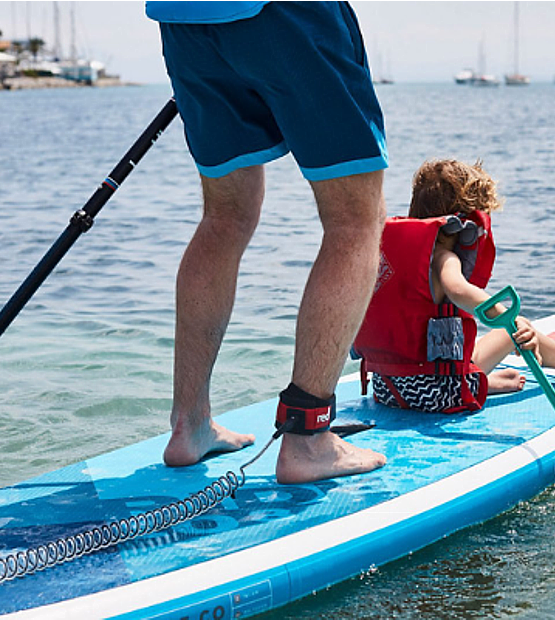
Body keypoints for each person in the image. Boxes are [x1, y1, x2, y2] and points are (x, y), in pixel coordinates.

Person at [145, 1, 387, 483]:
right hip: (285, 14)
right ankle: (308, 440)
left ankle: (189, 426)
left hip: (186, 21)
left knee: (224, 217)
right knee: (356, 222)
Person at [353, 159, 555, 413]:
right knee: (517, 328)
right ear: (464, 222)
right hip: (439, 395)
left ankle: (485, 381)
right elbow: (458, 290)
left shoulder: (390, 256)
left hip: (388, 389)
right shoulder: (444, 258)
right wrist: (509, 319)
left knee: (460, 348)